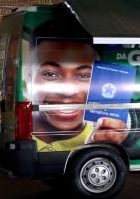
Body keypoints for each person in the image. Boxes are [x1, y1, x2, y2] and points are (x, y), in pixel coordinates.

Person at [29, 18, 128, 152]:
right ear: (29, 78)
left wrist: (94, 148)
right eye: (51, 74)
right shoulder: (20, 132)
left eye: (83, 75)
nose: (68, 92)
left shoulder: (106, 132)